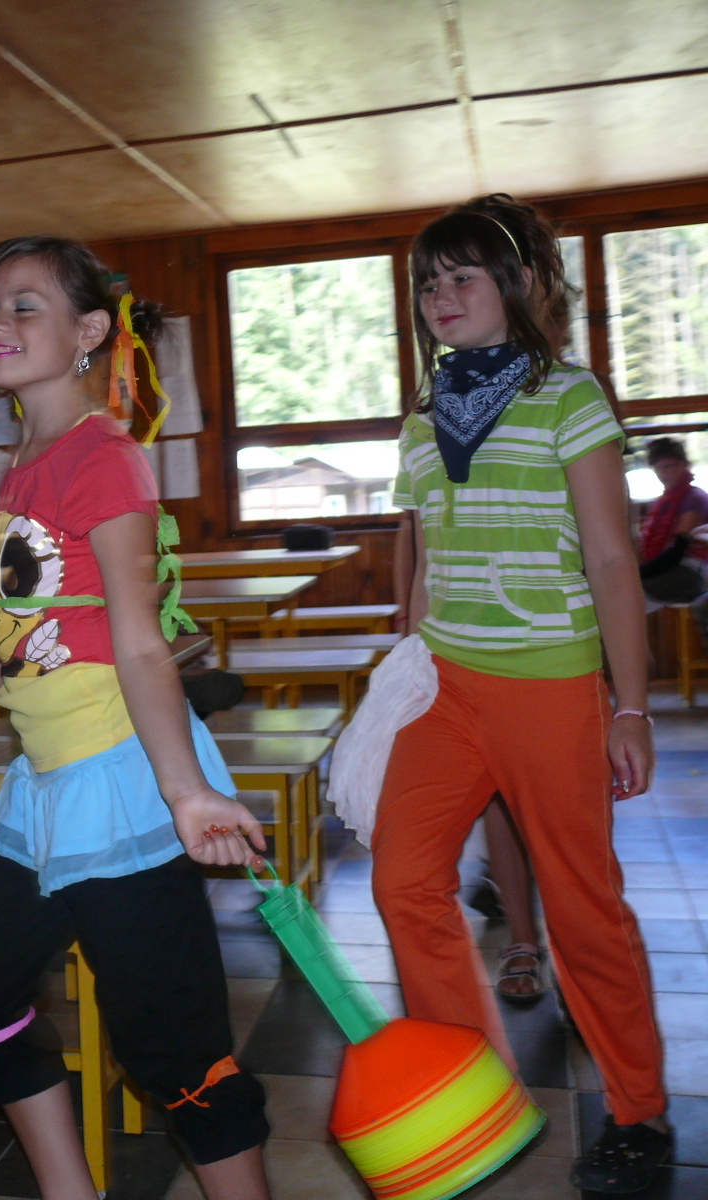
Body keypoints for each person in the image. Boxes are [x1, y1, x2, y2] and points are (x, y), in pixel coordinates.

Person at [0, 237, 271, 1200]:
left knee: (176, 1050)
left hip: (122, 780)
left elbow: (143, 643)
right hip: (49, 791)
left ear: (89, 331)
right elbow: (21, 627)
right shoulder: (21, 464)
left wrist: (186, 792)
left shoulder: (104, 456)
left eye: (25, 305)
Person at [373, 194, 670, 1194]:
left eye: (462, 277)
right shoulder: (423, 417)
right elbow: (423, 557)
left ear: (518, 284)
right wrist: (405, 666)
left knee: (583, 909)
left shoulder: (568, 396)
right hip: (447, 688)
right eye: (427, 283)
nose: (440, 296)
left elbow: (612, 560)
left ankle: (639, 1107)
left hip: (549, 684)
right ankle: (472, 1086)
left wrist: (629, 707)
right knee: (402, 880)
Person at [638, 436, 708, 611]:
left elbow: (677, 551)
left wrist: (637, 574)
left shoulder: (694, 498)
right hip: (673, 568)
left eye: (669, 466)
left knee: (628, 592)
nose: (663, 473)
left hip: (694, 571)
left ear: (684, 465)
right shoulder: (662, 502)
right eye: (658, 468)